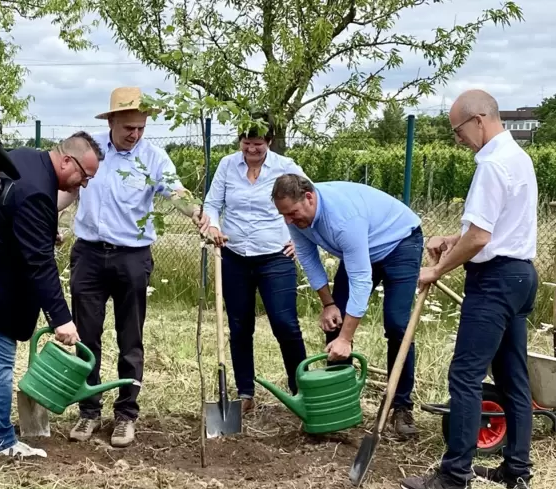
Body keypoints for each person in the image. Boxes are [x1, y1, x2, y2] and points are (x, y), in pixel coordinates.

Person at [400, 90, 538, 489]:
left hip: (494, 282)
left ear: (478, 120)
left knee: (464, 375)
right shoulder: (518, 158)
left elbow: (480, 237)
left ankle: (453, 478)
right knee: (513, 377)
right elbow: (492, 227)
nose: (457, 138)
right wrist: (450, 239)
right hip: (519, 276)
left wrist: (438, 268)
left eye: (457, 130)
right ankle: (517, 471)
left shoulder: (493, 165)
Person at [0, 131, 104, 459]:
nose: (83, 184)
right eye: (84, 176)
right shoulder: (39, 191)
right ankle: (0, 442)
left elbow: (8, 214)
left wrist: (39, 232)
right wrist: (62, 319)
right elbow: (39, 264)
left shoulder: (25, 157)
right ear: (67, 160)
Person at [67, 86, 210, 447]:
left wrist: (199, 216)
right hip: (87, 254)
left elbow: (175, 192)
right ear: (112, 120)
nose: (135, 134)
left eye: (141, 128)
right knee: (86, 336)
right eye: (128, 127)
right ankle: (88, 411)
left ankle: (126, 414)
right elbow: (65, 187)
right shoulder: (89, 149)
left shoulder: (154, 158)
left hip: (132, 257)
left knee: (130, 338)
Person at [272, 174, 424, 437]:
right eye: (283, 215)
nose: (288, 221)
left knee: (397, 324)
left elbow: (361, 280)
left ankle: (401, 406)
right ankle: (337, 402)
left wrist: (347, 338)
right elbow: (308, 258)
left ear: (309, 197)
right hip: (361, 248)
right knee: (335, 320)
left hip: (399, 242)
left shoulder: (342, 219)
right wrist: (328, 304)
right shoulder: (297, 218)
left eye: (292, 213)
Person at [201, 118, 309, 413]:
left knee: (285, 324)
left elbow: (311, 199)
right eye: (246, 143)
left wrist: (298, 240)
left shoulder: (285, 167)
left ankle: (301, 389)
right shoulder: (227, 165)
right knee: (239, 326)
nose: (251, 149)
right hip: (234, 255)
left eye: (258, 145)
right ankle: (245, 392)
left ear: (269, 142)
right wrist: (212, 226)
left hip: (275, 256)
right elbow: (212, 203)